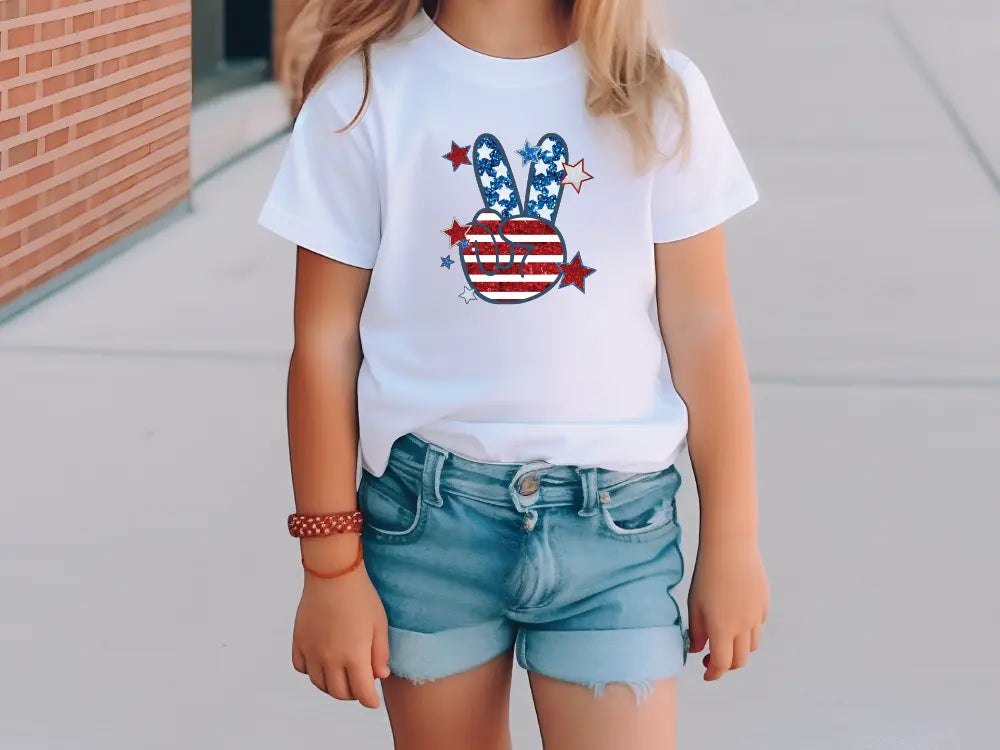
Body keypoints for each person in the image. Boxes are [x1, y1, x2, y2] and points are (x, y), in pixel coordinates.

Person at [259, 1, 769, 748]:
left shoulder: (657, 92)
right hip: (427, 528)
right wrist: (329, 568)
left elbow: (704, 330)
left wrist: (733, 541)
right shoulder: (364, 93)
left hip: (615, 533)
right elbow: (324, 341)